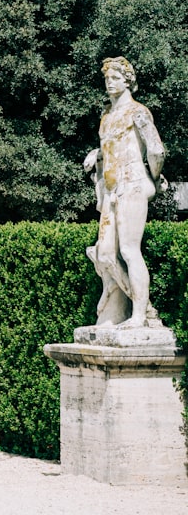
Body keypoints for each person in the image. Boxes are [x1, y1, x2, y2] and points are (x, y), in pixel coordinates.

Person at [83, 56, 166, 327]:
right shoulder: (107, 116)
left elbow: (155, 149)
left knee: (130, 250)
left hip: (132, 183)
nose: (110, 82)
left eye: (116, 77)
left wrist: (154, 179)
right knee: (105, 253)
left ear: (127, 80)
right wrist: (96, 153)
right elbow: (110, 150)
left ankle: (140, 316)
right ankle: (146, 308)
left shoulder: (138, 112)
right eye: (107, 78)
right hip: (110, 189)